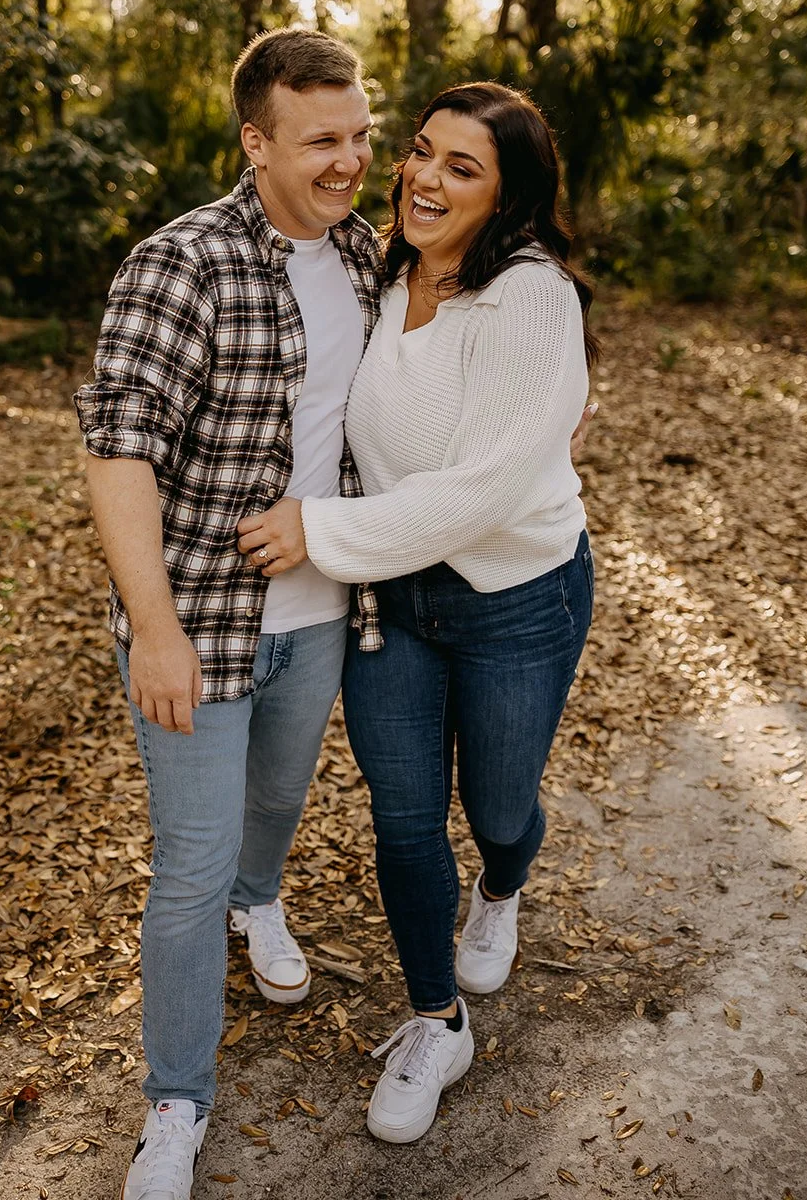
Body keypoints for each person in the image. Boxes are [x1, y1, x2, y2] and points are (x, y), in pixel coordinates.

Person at [237, 81, 597, 1147]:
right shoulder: (380, 271)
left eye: (461, 167)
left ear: (509, 196)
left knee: (493, 806)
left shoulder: (531, 294)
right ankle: (436, 1019)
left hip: (513, 596)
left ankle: (502, 882)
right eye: (421, 152)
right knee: (401, 819)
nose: (423, 178)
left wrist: (320, 532)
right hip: (388, 604)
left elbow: (482, 488)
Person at [74, 29, 384, 1200]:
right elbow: (119, 454)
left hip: (322, 613)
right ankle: (175, 1100)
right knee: (189, 866)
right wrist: (153, 627)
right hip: (196, 617)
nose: (352, 159)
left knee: (276, 802)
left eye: (360, 133)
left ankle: (267, 904)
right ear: (255, 143)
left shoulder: (365, 255)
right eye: (322, 141)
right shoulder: (181, 263)